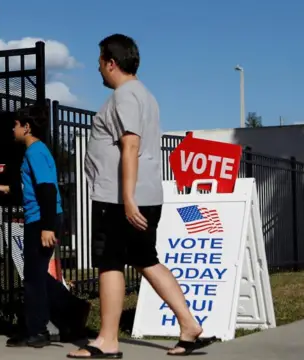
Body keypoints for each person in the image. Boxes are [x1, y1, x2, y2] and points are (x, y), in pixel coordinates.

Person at [67, 34, 205, 359]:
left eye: (100, 62)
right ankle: (188, 324)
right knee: (146, 259)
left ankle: (107, 341)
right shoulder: (145, 95)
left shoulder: (124, 96)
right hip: (140, 195)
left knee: (110, 262)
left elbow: (130, 145)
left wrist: (127, 198)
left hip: (119, 199)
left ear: (111, 63)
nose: (98, 68)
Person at [0, 105, 90, 348]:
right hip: (41, 217)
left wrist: (47, 227)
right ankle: (73, 310)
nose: (13, 129)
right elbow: (35, 187)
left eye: (16, 125)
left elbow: (47, 188)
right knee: (36, 274)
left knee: (33, 277)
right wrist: (8, 189)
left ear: (27, 127)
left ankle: (37, 331)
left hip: (42, 220)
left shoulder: (35, 151)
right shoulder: (37, 151)